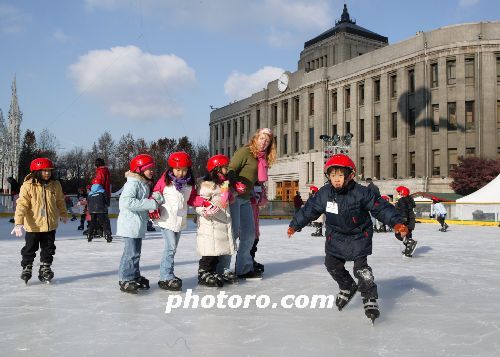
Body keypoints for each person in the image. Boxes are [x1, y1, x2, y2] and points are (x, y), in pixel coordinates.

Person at [287, 154, 409, 324]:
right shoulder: (325, 194)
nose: (336, 179)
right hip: (335, 236)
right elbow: (310, 210)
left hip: (359, 236)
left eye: (340, 175)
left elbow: (380, 208)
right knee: (332, 265)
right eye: (333, 175)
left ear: (350, 175)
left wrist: (396, 223)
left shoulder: (361, 192)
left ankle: (369, 298)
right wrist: (295, 224)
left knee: (361, 270)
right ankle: (347, 286)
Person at [217, 127, 276, 281]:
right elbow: (231, 169)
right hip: (235, 196)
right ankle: (222, 269)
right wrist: (235, 183)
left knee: (249, 234)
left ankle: (243, 269)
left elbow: (256, 179)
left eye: (267, 141)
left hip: (247, 198)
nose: (264, 142)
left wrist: (258, 192)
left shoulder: (261, 159)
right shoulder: (245, 152)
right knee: (234, 233)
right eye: (262, 138)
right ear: (255, 138)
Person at [151, 151, 203, 291]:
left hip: (179, 221)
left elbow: (192, 199)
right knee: (171, 247)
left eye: (184, 170)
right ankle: (166, 276)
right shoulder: (164, 181)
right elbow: (155, 194)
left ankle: (168, 274)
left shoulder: (189, 184)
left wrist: (204, 202)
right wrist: (153, 204)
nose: (181, 173)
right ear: (171, 169)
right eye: (178, 170)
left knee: (172, 249)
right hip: (166, 219)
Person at [11, 158, 68, 284]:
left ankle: (45, 267)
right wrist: (18, 222)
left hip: (50, 224)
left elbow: (60, 200)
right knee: (30, 248)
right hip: (33, 225)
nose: (47, 173)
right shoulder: (28, 185)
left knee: (49, 248)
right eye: (44, 171)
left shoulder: (56, 184)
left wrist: (63, 213)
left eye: (49, 171)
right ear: (36, 171)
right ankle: (27, 267)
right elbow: (22, 204)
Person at [116, 154, 163, 294]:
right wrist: (150, 203)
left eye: (152, 168)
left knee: (135, 253)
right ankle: (125, 278)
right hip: (130, 224)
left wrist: (154, 200)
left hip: (137, 224)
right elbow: (126, 202)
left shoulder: (143, 184)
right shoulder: (132, 183)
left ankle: (134, 275)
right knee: (130, 253)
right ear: (139, 169)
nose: (152, 171)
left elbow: (143, 201)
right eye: (148, 168)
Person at [195, 154, 235, 287]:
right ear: (216, 169)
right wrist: (204, 211)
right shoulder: (206, 186)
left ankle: (214, 271)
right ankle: (204, 272)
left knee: (217, 250)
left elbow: (225, 201)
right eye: (224, 168)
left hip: (221, 222)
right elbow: (198, 203)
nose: (227, 170)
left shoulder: (224, 185)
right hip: (210, 224)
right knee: (209, 251)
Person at [395, 186, 417, 257]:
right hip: (411, 220)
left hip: (405, 220)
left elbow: (404, 210)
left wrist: (403, 220)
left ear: (402, 193)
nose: (398, 194)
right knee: (408, 234)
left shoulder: (402, 200)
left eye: (399, 192)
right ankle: (408, 248)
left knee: (398, 234)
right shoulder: (409, 200)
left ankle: (410, 242)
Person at [250, 181, 267, 272]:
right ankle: (245, 262)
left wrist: (259, 197)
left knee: (255, 240)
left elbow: (264, 201)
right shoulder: (248, 183)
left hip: (255, 216)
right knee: (248, 241)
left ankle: (251, 260)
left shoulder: (259, 185)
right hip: (247, 215)